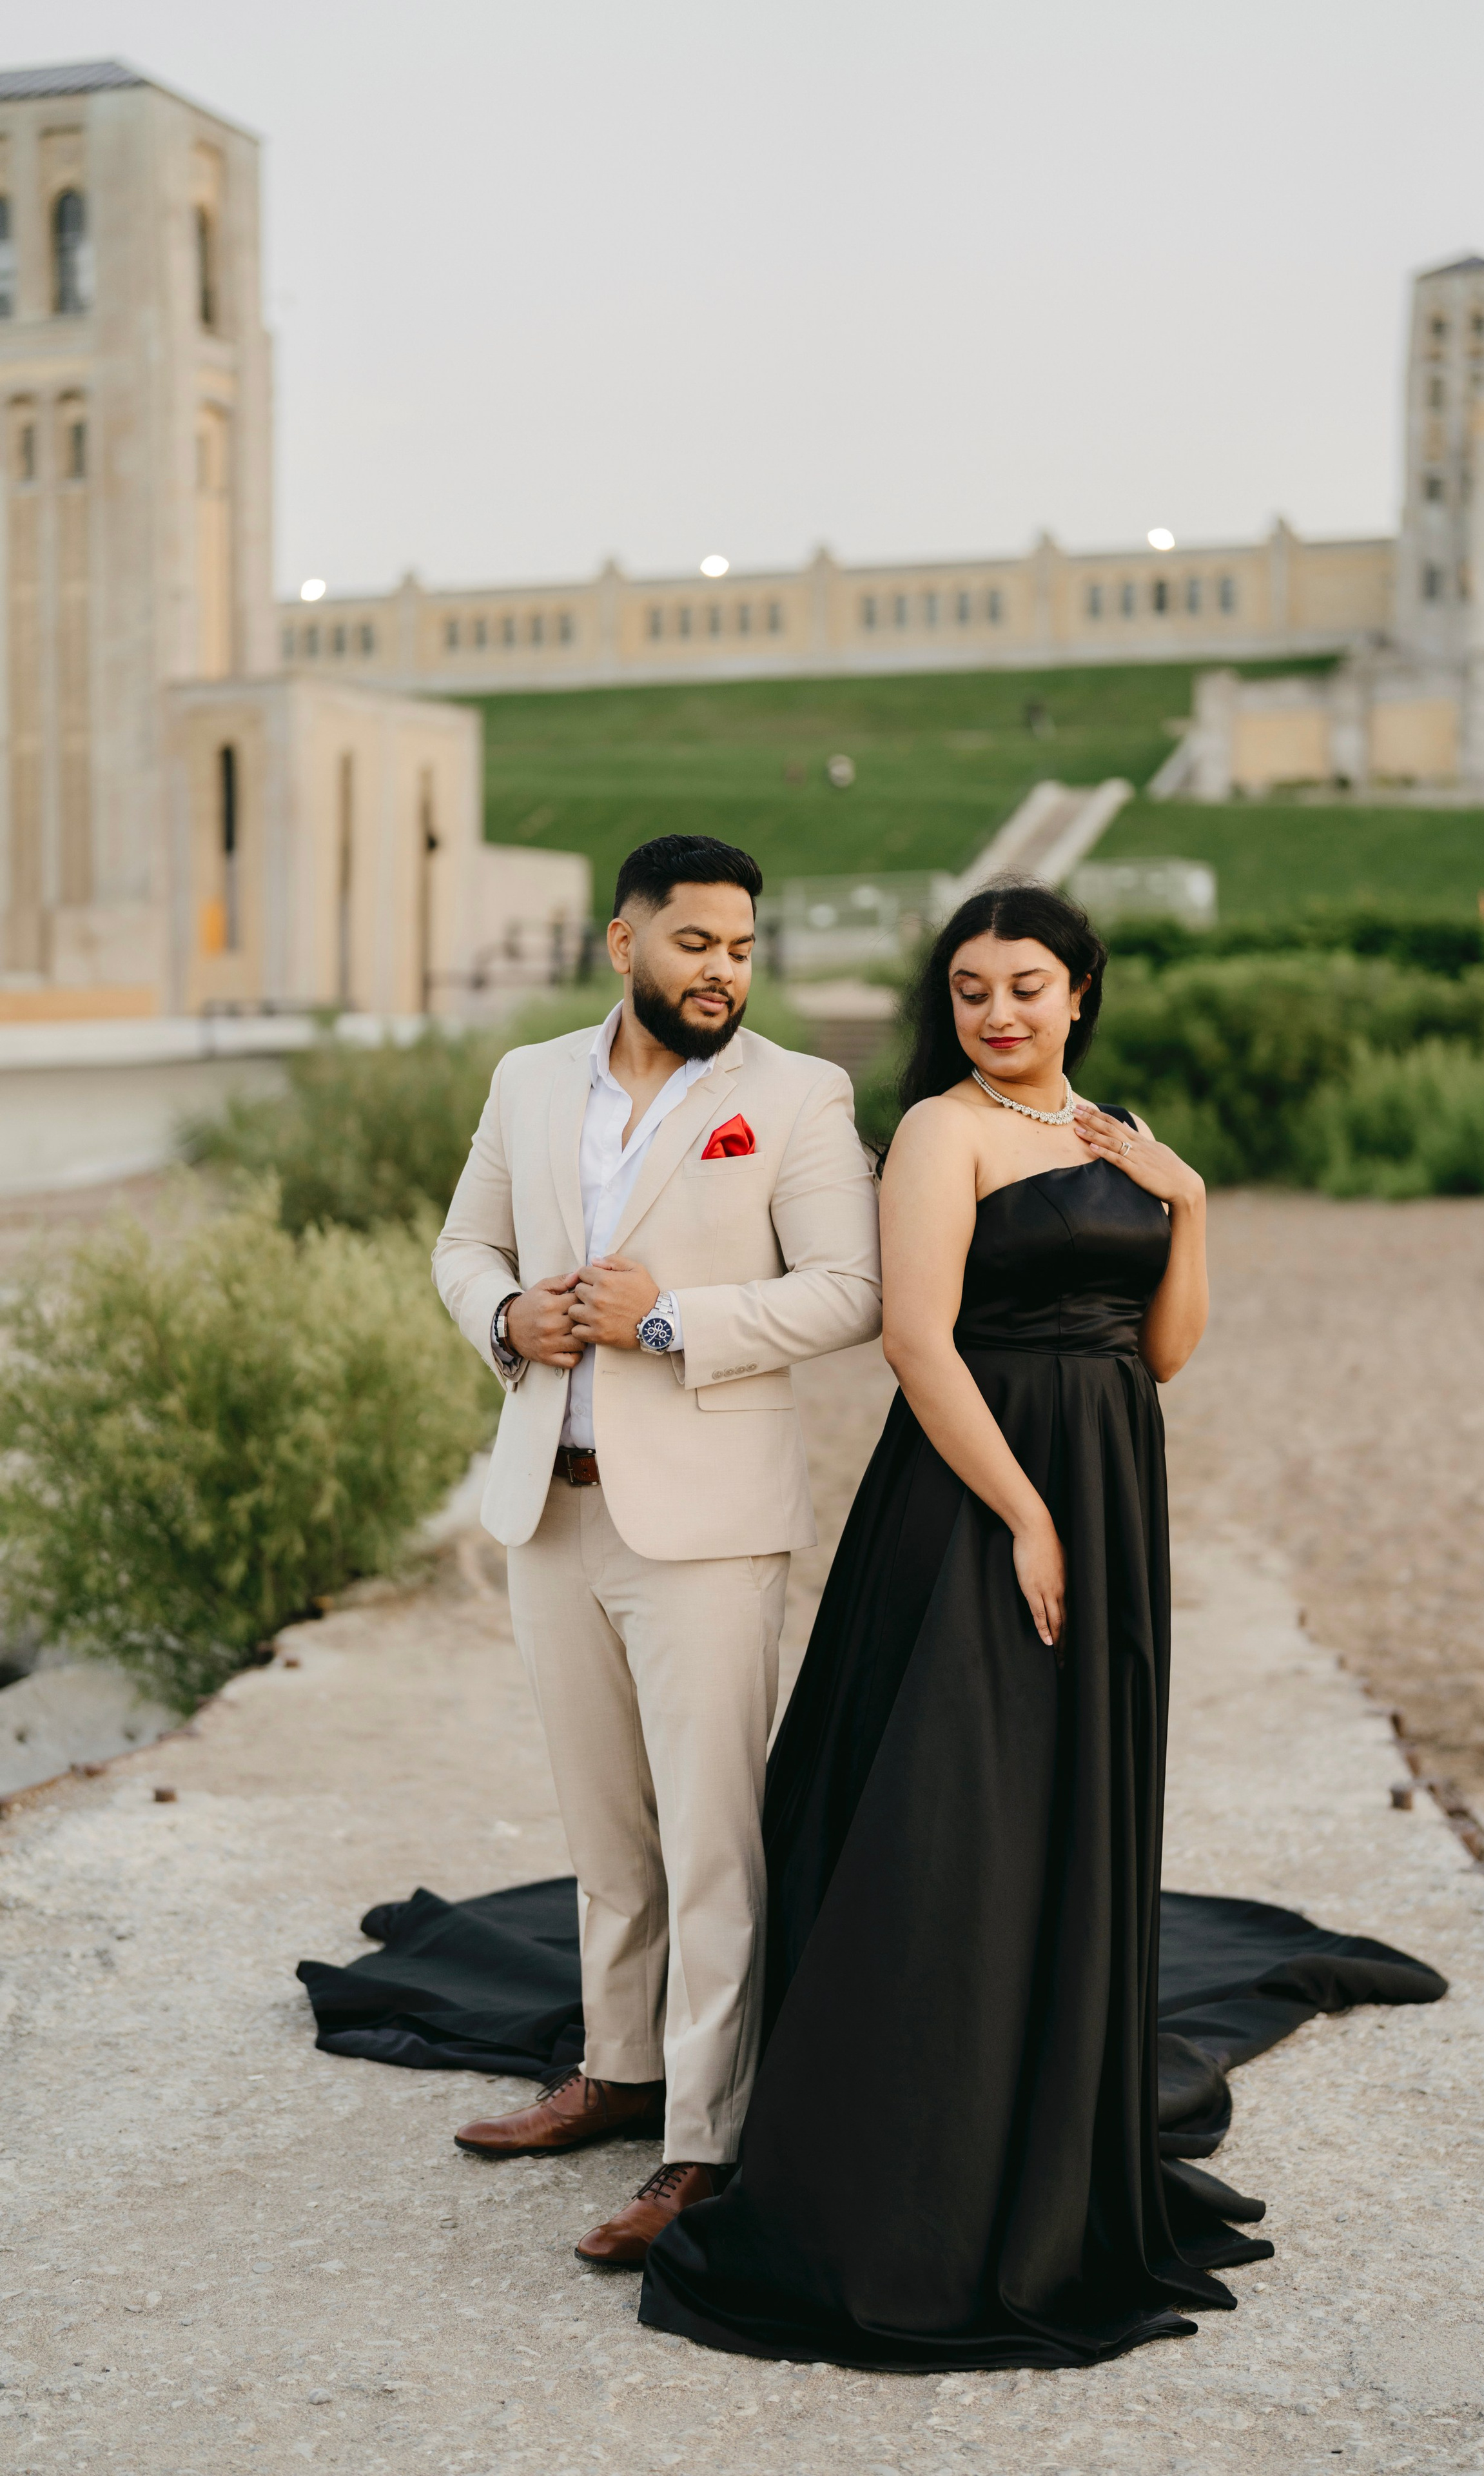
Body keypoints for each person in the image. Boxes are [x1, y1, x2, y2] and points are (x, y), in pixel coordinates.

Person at [638, 878, 1272, 2367]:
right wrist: (1026, 1514)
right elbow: (916, 1343)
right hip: (979, 1489)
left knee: (1065, 1793)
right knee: (952, 1805)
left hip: (1110, 1474)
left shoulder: (1104, 1133)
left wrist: (1189, 1204)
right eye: (972, 989)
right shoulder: (938, 1133)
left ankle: (1045, 2092)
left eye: (1027, 986)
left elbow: (1159, 1354)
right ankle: (915, 2132)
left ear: (1079, 993)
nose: (997, 1013)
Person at [430, 833, 882, 2265]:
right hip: (547, 1505)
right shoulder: (524, 1080)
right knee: (603, 1832)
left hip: (705, 1528)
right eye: (696, 944)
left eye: (743, 948)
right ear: (622, 944)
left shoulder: (799, 1096)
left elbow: (849, 1291)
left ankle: (704, 2138)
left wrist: (665, 1318)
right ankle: (617, 2072)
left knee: (707, 1847)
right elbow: (460, 1248)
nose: (724, 972)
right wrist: (507, 1320)